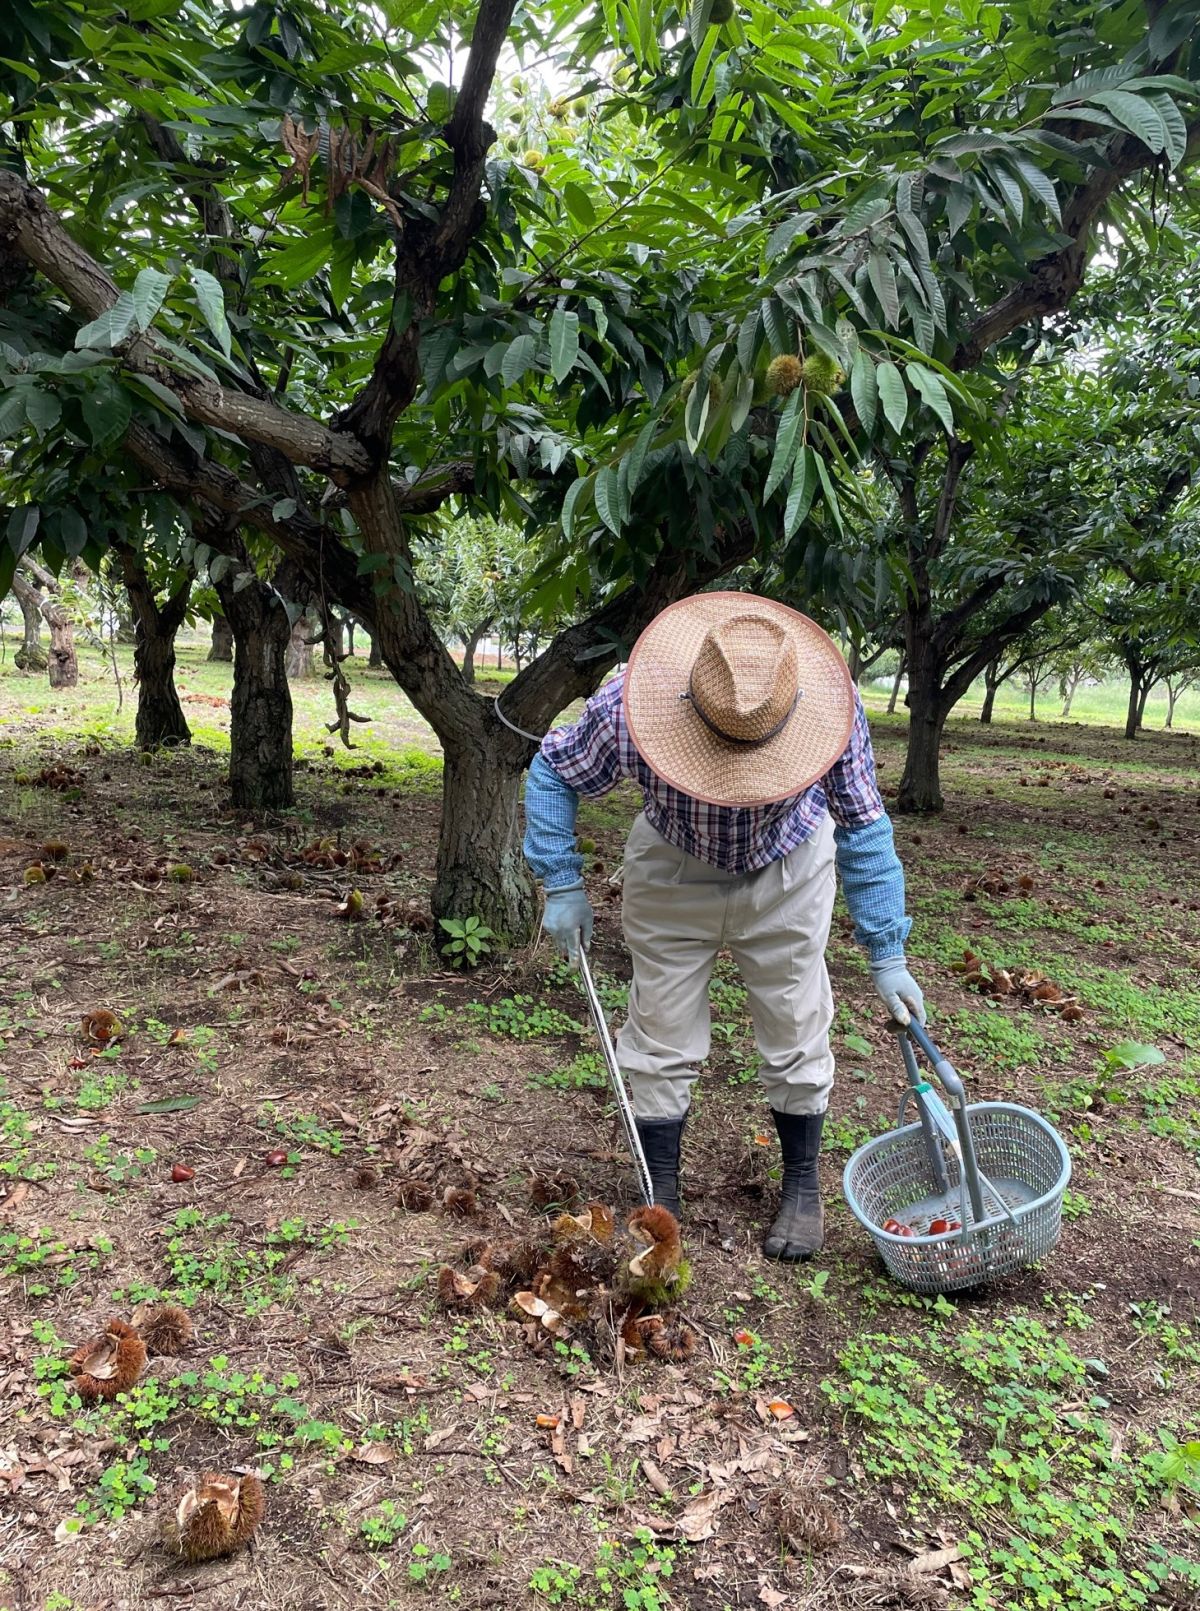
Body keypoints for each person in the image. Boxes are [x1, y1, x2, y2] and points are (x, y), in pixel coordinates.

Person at [522, 593, 924, 1261]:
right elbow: (554, 769)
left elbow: (863, 826)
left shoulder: (834, 708)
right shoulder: (627, 705)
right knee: (660, 1024)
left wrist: (887, 953)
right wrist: (561, 882)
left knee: (796, 1020)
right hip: (673, 865)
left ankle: (802, 1184)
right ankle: (662, 1190)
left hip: (790, 867)